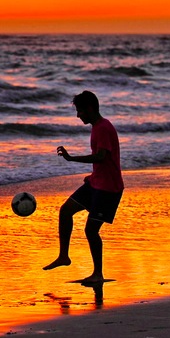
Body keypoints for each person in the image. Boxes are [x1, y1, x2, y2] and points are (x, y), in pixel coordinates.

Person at [43, 90, 123, 284]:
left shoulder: (103, 128)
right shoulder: (97, 127)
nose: (78, 116)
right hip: (96, 182)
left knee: (91, 230)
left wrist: (71, 159)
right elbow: (103, 161)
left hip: (108, 189)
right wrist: (94, 175)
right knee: (65, 210)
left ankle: (98, 273)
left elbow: (101, 157)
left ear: (90, 108)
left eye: (80, 111)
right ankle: (64, 256)